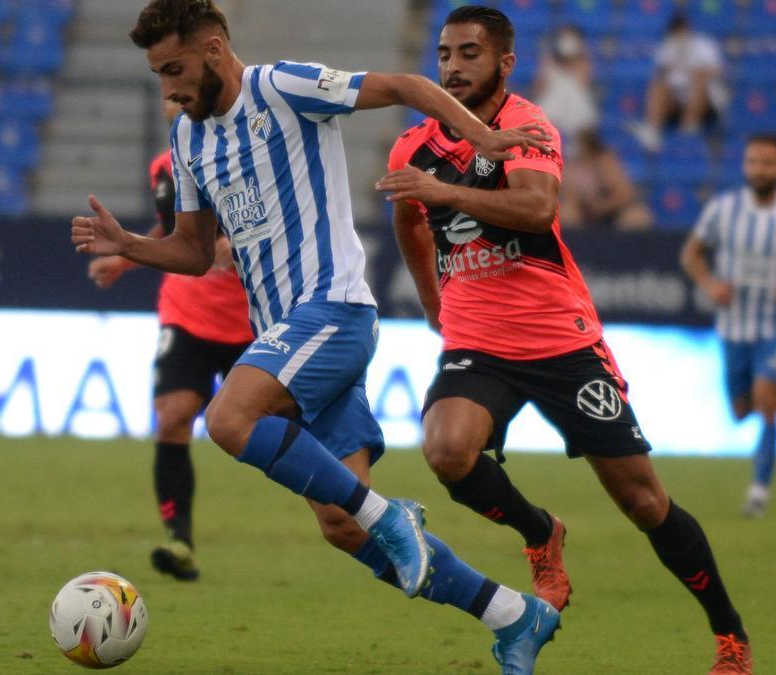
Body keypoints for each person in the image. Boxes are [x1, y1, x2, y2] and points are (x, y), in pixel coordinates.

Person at [70, 1, 559, 671]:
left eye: (176, 69)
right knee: (341, 525)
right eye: (158, 75)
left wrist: (483, 136)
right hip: (287, 334)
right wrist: (131, 244)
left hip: (332, 309)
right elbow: (192, 248)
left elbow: (406, 87)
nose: (169, 89)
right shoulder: (189, 139)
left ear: (214, 50)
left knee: (230, 418)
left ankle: (393, 517)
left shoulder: (282, 87)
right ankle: (512, 614)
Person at [376, 7, 751, 673]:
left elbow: (537, 208)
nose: (454, 67)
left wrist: (443, 193)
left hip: (559, 340)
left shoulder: (527, 125)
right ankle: (540, 532)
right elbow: (409, 221)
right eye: (444, 55)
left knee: (643, 501)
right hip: (477, 339)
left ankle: (730, 634)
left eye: (469, 53)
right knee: (446, 449)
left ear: (504, 62)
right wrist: (435, 303)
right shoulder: (415, 147)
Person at [88, 100, 253, 581]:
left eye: (182, 93)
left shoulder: (246, 157)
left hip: (251, 321)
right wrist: (127, 258)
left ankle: (352, 514)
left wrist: (238, 244)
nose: (173, 103)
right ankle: (178, 538)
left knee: (272, 431)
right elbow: (178, 228)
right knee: (173, 415)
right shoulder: (164, 165)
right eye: (167, 93)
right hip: (187, 313)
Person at [680, 134, 776, 519]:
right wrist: (711, 285)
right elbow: (691, 253)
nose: (760, 170)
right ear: (745, 166)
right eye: (753, 162)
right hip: (733, 327)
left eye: (768, 163)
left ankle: (758, 492)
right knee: (740, 410)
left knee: (764, 406)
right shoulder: (723, 210)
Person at [630, 13, 727, 153]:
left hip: (705, 103)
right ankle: (653, 131)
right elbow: (660, 74)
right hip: (675, 101)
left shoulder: (704, 45)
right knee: (658, 85)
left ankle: (687, 130)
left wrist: (695, 72)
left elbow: (718, 71)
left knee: (698, 78)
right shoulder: (667, 47)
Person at [561, 129, 654, 230]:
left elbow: (625, 194)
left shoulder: (605, 161)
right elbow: (569, 197)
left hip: (613, 212)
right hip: (584, 212)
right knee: (567, 213)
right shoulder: (569, 167)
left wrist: (602, 207)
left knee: (637, 217)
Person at [532, 25, 598, 153]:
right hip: (553, 102)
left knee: (584, 122)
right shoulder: (549, 61)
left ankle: (576, 149)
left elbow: (584, 83)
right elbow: (539, 88)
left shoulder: (584, 61)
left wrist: (575, 60)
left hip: (576, 103)